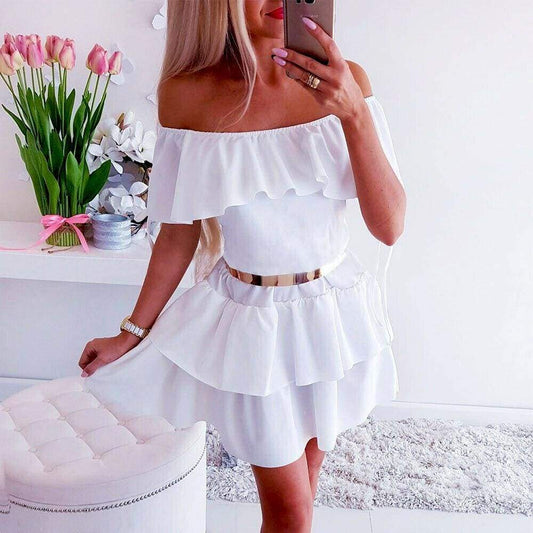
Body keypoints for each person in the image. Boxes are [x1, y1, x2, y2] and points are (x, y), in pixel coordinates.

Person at [80, 1, 407, 531]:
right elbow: (179, 233)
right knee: (290, 512)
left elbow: (389, 224)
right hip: (255, 330)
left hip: (330, 318)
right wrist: (131, 332)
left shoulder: (347, 82)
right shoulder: (188, 95)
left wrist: (353, 112)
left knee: (304, 493)